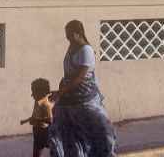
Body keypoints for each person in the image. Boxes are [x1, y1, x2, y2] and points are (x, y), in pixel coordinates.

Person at [49, 20, 116, 157]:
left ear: (78, 33)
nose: (68, 38)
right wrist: (61, 92)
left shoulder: (86, 50)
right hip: (68, 99)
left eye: (70, 34)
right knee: (62, 133)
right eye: (66, 34)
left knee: (102, 131)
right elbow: (68, 75)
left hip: (86, 100)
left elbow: (79, 78)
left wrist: (60, 92)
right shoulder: (71, 47)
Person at [20, 77, 54, 157]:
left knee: (53, 149)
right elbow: (34, 115)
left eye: (34, 92)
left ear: (42, 93)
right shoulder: (37, 101)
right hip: (37, 130)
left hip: (45, 131)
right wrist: (28, 119)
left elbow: (50, 120)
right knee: (36, 152)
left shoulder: (46, 105)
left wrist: (37, 120)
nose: (32, 95)